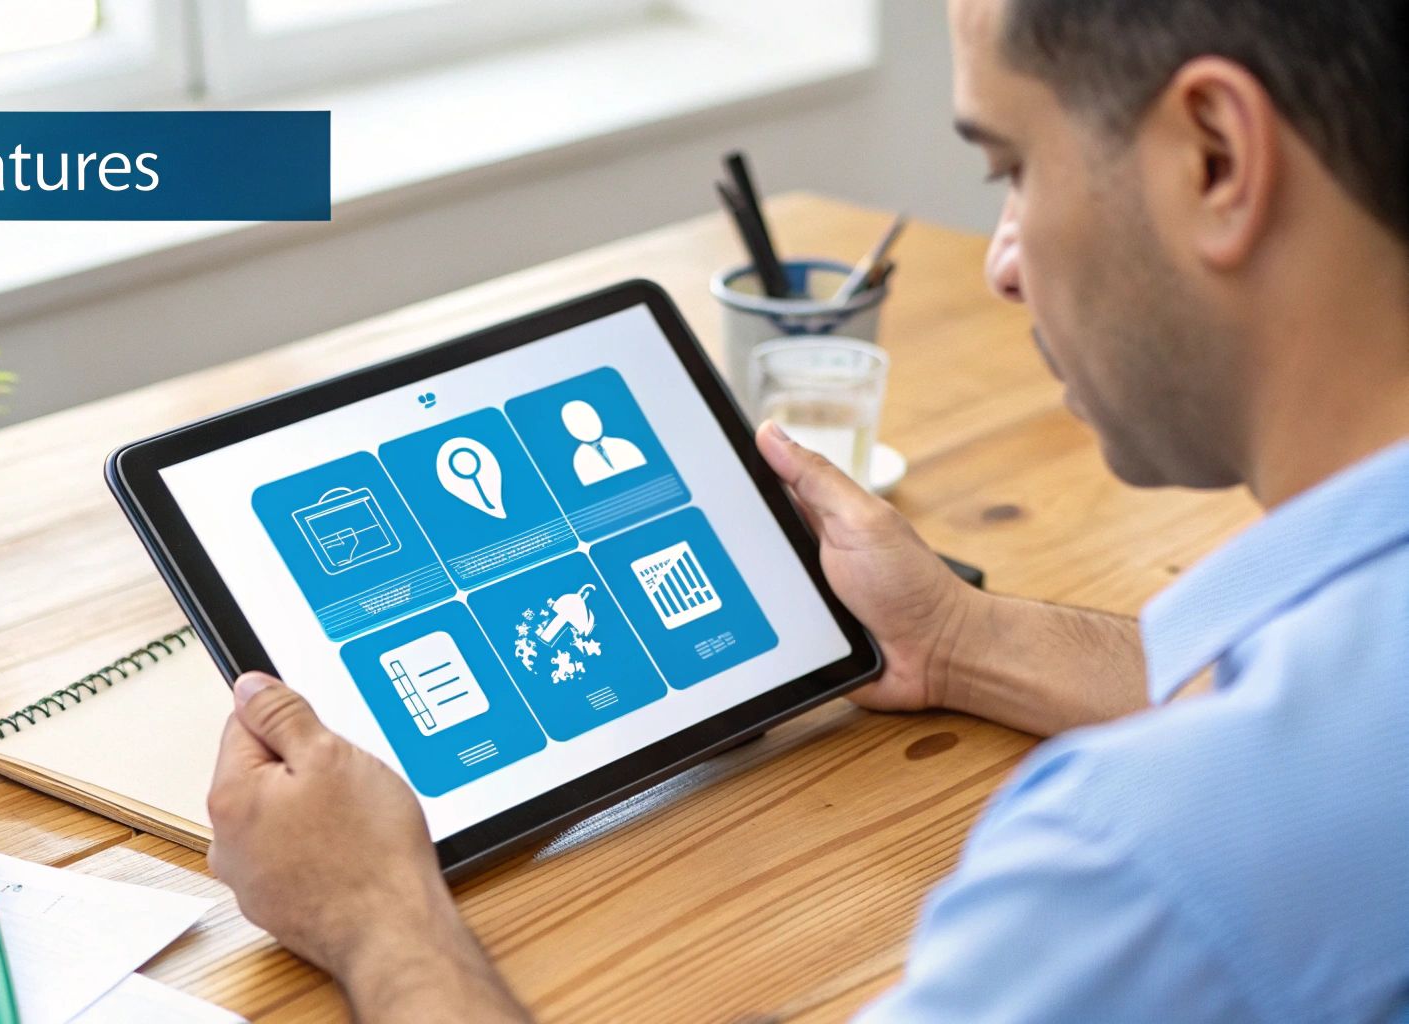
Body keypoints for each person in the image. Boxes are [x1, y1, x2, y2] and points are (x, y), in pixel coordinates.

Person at [203, 0, 1409, 1018]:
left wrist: (377, 914)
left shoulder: (1142, 868)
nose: (999, 261)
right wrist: (958, 638)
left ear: (1212, 158)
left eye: (1011, 168)